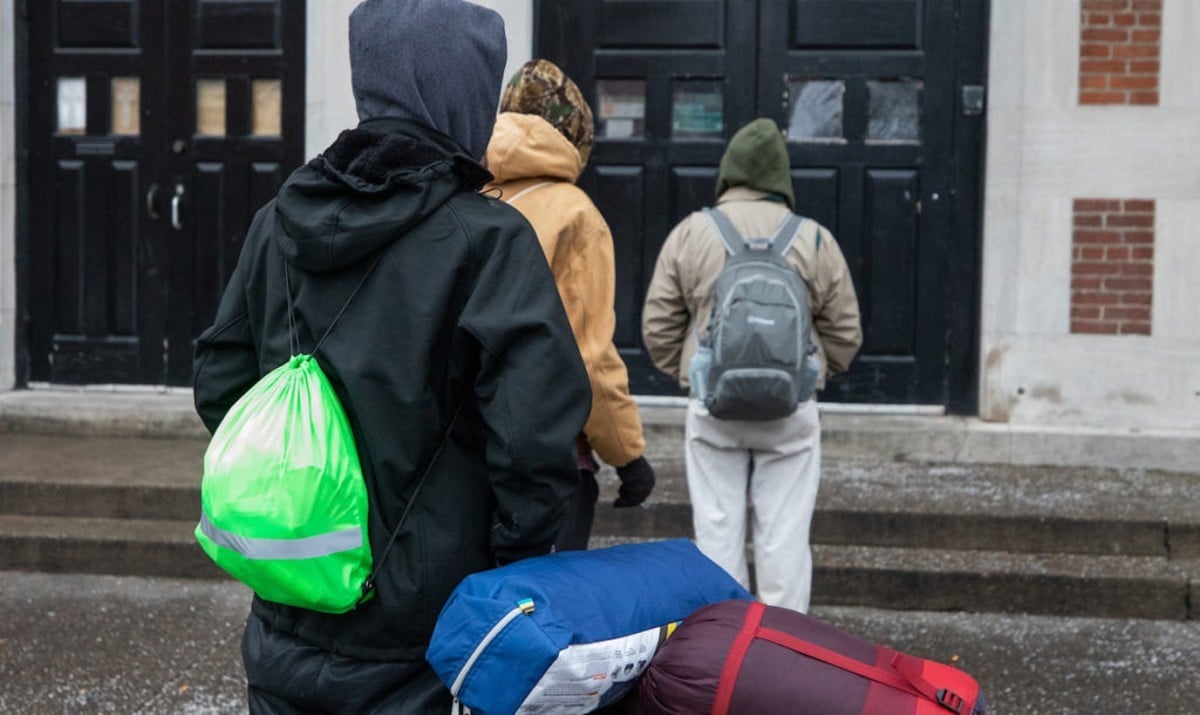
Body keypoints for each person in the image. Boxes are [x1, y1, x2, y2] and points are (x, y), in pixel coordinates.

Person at [192, 1, 591, 712]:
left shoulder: (277, 220)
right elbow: (534, 444)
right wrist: (508, 574)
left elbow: (221, 383)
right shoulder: (489, 241)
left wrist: (306, 491)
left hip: (289, 600)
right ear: (463, 91)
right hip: (427, 634)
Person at [641, 118, 862, 613]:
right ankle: (781, 651)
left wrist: (692, 375)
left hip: (714, 408)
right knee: (784, 536)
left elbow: (658, 326)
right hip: (789, 410)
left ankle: (724, 644)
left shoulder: (691, 233)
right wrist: (812, 375)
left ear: (729, 173)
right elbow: (846, 334)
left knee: (717, 531)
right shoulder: (814, 239)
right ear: (781, 177)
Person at [483, 59, 655, 551]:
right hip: (548, 455)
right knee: (543, 609)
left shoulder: (466, 193)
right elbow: (588, 357)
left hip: (463, 451)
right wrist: (627, 455)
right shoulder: (574, 214)